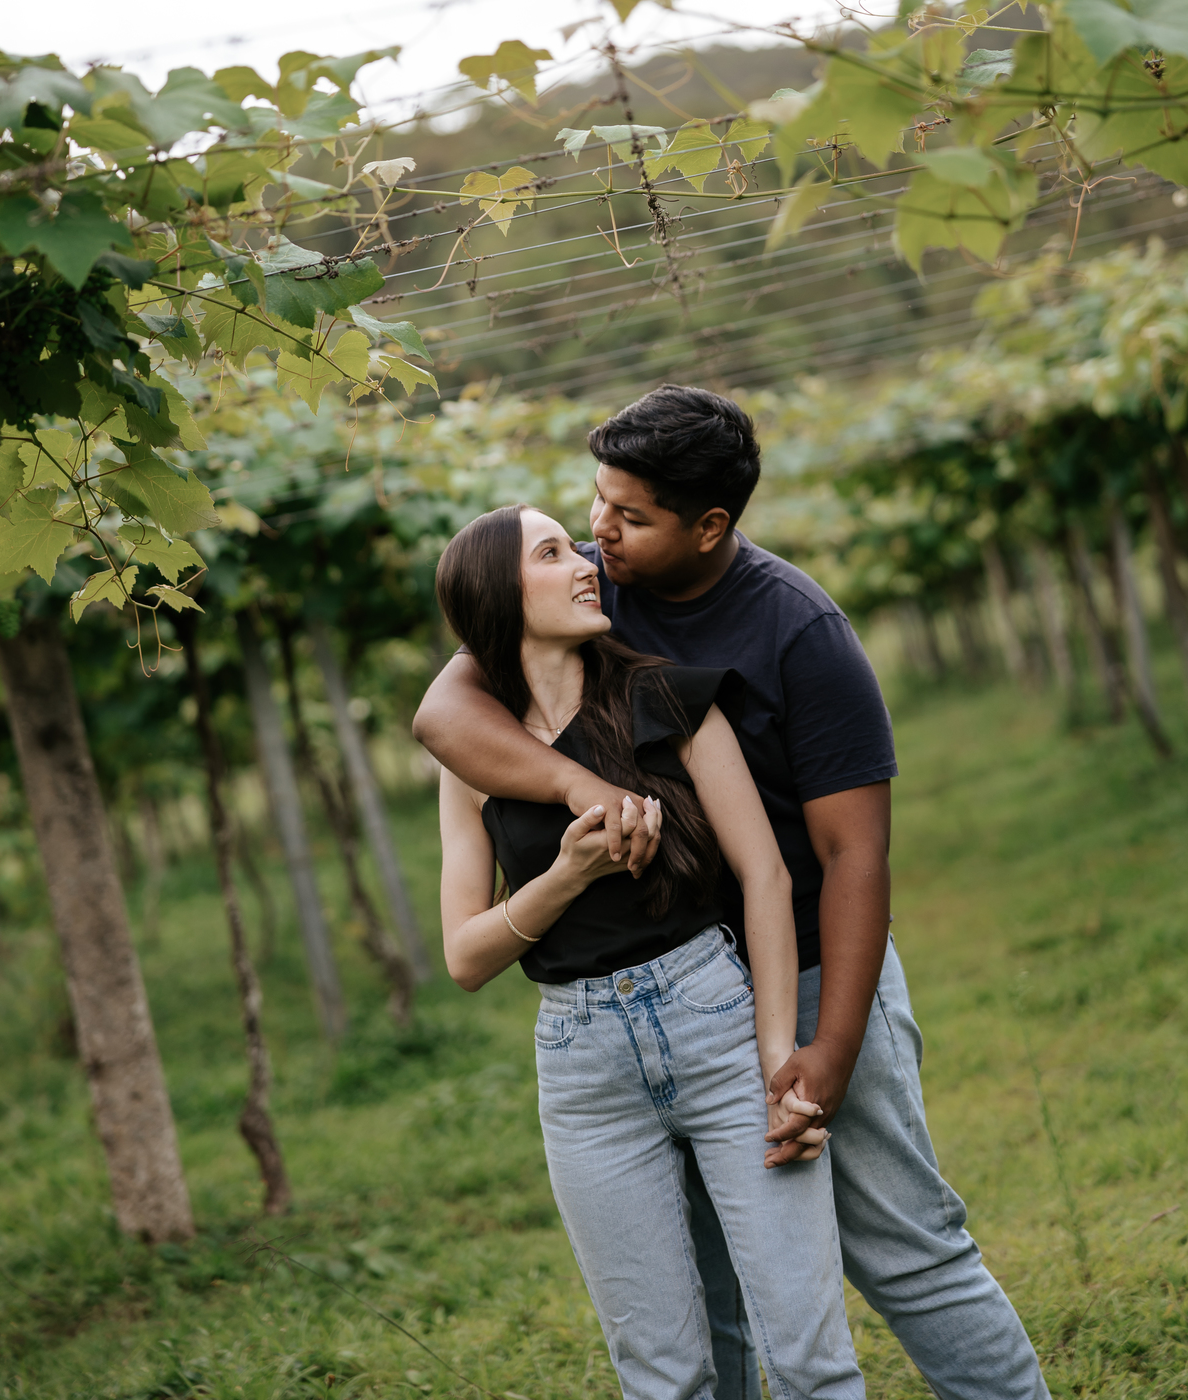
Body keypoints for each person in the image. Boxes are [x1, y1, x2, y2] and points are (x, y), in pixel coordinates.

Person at [415, 387, 1051, 1400]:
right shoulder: (595, 587)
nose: (598, 532)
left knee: (903, 1248)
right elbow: (447, 709)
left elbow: (852, 858)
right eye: (595, 502)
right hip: (666, 983)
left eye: (628, 515)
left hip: (810, 961)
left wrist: (826, 1048)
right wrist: (584, 794)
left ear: (708, 526)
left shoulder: (798, 630)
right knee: (707, 1303)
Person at [432, 501, 866, 1400]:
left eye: (575, 546)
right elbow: (465, 957)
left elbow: (765, 877)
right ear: (499, 598)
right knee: (663, 1377)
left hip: (714, 1021)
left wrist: (775, 1053)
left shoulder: (667, 697)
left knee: (808, 1357)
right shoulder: (470, 757)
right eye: (552, 553)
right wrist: (565, 875)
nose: (585, 563)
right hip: (582, 1068)